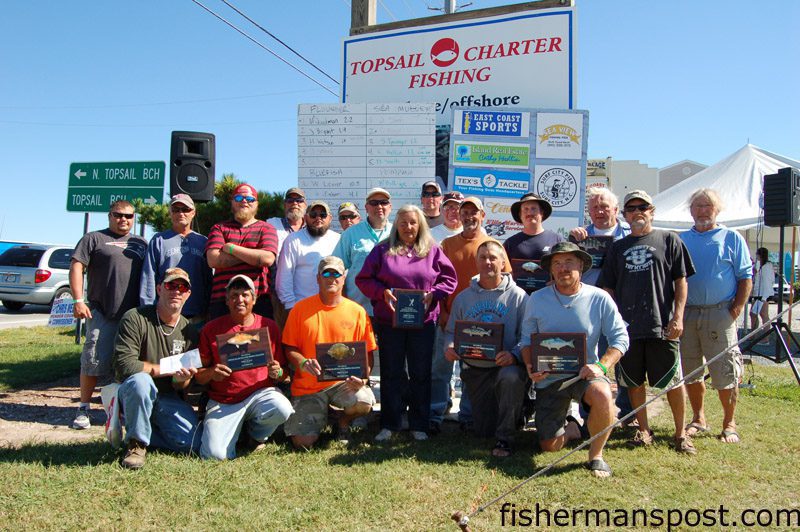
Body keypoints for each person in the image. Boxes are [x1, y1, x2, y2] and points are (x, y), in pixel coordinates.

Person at [598, 190, 697, 454]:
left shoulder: (669, 240)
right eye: (631, 208)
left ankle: (680, 434)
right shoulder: (617, 248)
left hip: (662, 326)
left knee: (673, 382)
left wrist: (678, 316)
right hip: (629, 329)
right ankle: (643, 430)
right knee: (633, 383)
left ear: (652, 211)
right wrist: (612, 323)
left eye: (643, 207)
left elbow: (681, 282)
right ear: (625, 215)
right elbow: (608, 289)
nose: (637, 212)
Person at [520, 242, 629, 477]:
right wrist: (531, 367)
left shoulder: (599, 298)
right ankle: (571, 428)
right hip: (549, 379)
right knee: (549, 446)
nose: (563, 268)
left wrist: (601, 365)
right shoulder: (537, 299)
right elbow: (526, 341)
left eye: (569, 262)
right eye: (557, 263)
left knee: (602, 394)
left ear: (581, 266)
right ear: (550, 269)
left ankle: (596, 455)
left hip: (585, 374)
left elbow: (621, 338)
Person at [356, 205, 457, 442]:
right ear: (396, 225)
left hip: (423, 323)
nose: (408, 227)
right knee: (392, 372)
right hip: (389, 321)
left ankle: (419, 424)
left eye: (413, 222)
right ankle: (390, 423)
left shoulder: (432, 251)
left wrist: (434, 293)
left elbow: (449, 279)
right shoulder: (382, 250)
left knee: (421, 372)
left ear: (420, 224)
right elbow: (364, 279)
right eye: (403, 223)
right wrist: (382, 293)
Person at [282, 256, 378, 448]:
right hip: (309, 386)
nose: (331, 278)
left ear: (343, 278)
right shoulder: (300, 309)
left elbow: (367, 353)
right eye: (326, 273)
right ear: (318, 278)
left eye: (336, 274)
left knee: (364, 401)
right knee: (302, 443)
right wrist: (302, 363)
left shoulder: (357, 312)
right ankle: (324, 415)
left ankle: (342, 422)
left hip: (342, 384)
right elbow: (289, 348)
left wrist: (364, 378)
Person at [680, 189, 752, 444]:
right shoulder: (680, 239)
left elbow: (745, 277)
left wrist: (736, 309)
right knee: (691, 370)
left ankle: (729, 423)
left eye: (707, 206)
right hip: (687, 314)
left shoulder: (731, 238)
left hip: (720, 314)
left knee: (726, 370)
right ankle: (698, 419)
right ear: (690, 210)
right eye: (698, 206)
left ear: (717, 210)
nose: (702, 211)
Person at [195, 274, 294, 460]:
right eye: (234, 295)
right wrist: (211, 373)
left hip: (260, 395)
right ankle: (232, 431)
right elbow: (198, 376)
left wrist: (278, 372)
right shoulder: (211, 329)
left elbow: (284, 373)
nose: (239, 299)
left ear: (254, 299)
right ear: (226, 300)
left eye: (245, 294)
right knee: (214, 456)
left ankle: (255, 436)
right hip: (224, 400)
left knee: (282, 407)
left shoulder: (269, 326)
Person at [443, 240, 528, 457]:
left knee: (511, 378)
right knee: (482, 432)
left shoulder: (519, 297)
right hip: (475, 368)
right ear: (476, 262)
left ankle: (505, 438)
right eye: (482, 257)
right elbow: (451, 331)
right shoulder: (463, 298)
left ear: (502, 263)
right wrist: (450, 346)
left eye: (493, 257)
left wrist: (514, 355)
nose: (487, 262)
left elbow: (527, 337)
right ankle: (519, 413)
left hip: (505, 367)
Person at [112, 268, 202, 469]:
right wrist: (164, 369)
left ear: (188, 294)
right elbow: (125, 365)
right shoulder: (135, 317)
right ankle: (136, 445)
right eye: (171, 285)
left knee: (193, 444)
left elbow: (182, 385)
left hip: (167, 396)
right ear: (160, 289)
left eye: (182, 287)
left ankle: (144, 431)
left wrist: (181, 379)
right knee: (141, 381)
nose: (176, 291)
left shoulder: (189, 331)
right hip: (134, 392)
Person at [436, 197, 512, 432]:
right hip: (450, 317)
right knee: (440, 370)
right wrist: (442, 313)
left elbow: (507, 282)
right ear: (459, 216)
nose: (469, 217)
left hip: (482, 320)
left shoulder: (493, 245)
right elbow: (435, 281)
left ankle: (468, 417)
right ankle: (435, 415)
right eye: (464, 212)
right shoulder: (446, 244)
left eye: (474, 212)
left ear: (483, 216)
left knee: (471, 371)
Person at [70, 200, 147, 430]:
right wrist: (77, 300)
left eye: (129, 216)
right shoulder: (93, 239)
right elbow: (76, 267)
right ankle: (83, 408)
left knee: (125, 365)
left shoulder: (141, 243)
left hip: (133, 316)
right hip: (102, 311)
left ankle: (117, 409)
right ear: (109, 216)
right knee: (92, 360)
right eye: (118, 215)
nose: (124, 220)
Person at [569, 187, 633, 422]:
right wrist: (573, 241)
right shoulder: (580, 236)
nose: (599, 211)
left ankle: (628, 413)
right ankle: (590, 413)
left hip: (623, 307)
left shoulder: (630, 234)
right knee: (590, 361)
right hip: (589, 310)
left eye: (604, 206)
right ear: (588, 211)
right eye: (594, 207)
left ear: (615, 209)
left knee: (623, 359)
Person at [206, 183, 278, 319]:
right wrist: (255, 255)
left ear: (256, 204)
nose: (244, 201)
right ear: (232, 202)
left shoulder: (267, 228)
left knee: (258, 341)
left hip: (259, 300)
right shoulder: (219, 228)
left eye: (250, 199)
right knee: (221, 341)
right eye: (239, 198)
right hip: (223, 301)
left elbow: (267, 259)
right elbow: (213, 260)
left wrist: (231, 248)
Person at [140, 194, 212, 321]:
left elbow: (208, 280)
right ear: (170, 213)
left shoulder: (203, 242)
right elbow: (148, 277)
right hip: (165, 315)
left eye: (185, 209)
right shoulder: (159, 240)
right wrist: (148, 311)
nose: (181, 213)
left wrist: (209, 312)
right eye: (176, 210)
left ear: (193, 212)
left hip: (197, 316)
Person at [332, 187, 393, 316]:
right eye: (374, 203)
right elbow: (336, 269)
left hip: (390, 309)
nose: (379, 206)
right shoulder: (350, 234)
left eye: (383, 202)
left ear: (390, 207)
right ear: (366, 207)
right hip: (357, 308)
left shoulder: (397, 233)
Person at [276, 200, 340, 311]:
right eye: (313, 215)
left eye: (323, 215)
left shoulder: (339, 239)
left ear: (330, 218)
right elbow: (284, 276)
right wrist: (291, 306)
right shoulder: (293, 240)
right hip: (301, 308)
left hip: (333, 308)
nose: (318, 218)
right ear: (306, 218)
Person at [266, 187, 307, 328]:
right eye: (290, 200)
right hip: (277, 296)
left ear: (305, 205)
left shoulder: (311, 229)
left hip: (306, 294)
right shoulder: (272, 224)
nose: (294, 203)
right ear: (285, 205)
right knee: (281, 335)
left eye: (299, 200)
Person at [503, 192, 563, 261]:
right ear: (520, 215)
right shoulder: (510, 243)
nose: (530, 213)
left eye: (533, 208)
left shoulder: (556, 240)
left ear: (542, 213)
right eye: (526, 209)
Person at [750, 247, 774, 329]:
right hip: (757, 293)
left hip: (763, 294)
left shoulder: (767, 267)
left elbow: (767, 283)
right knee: (753, 314)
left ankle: (766, 339)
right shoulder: (760, 266)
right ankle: (753, 335)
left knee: (764, 315)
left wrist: (764, 297)